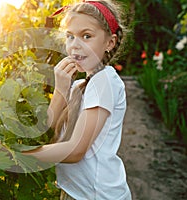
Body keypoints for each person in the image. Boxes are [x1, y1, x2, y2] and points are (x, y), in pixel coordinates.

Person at [22, 1, 132, 199]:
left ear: (110, 43)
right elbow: (48, 130)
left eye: (86, 36)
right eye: (70, 36)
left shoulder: (105, 80)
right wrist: (61, 89)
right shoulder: (79, 86)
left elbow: (75, 151)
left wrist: (19, 154)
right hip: (74, 191)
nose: (75, 45)